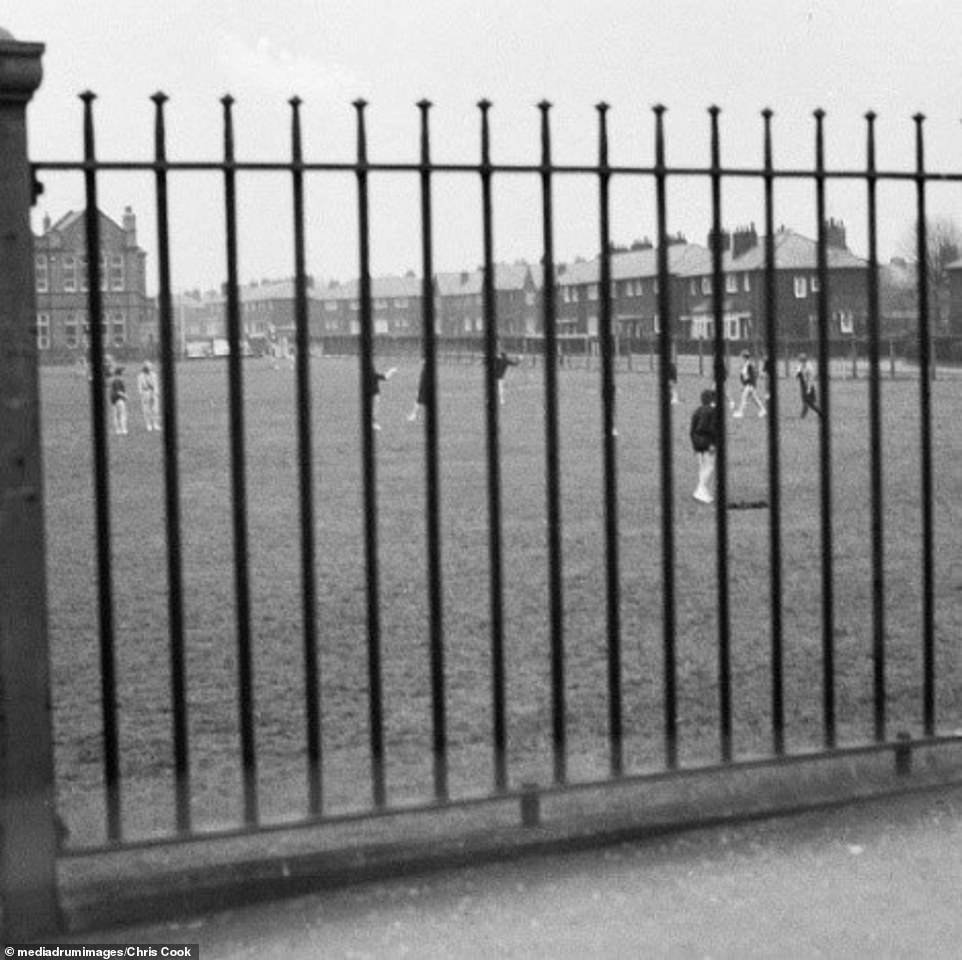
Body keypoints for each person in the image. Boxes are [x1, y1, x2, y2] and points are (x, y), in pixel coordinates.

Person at [690, 388, 718, 504]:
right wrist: (712, 443)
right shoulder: (712, 411)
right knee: (709, 466)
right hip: (707, 442)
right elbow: (710, 429)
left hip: (697, 442)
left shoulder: (697, 411)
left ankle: (703, 490)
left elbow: (692, 429)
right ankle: (700, 489)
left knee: (703, 467)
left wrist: (695, 444)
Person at [732, 350, 766, 418]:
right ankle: (763, 410)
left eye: (741, 357)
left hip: (750, 385)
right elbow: (743, 377)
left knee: (743, 397)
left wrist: (750, 385)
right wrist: (743, 385)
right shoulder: (744, 365)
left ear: (744, 357)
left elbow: (753, 376)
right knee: (754, 399)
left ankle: (740, 412)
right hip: (747, 385)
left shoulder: (750, 365)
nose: (740, 358)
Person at [367, 363, 397, 431]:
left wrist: (391, 371)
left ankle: (374, 423)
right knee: (375, 408)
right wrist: (391, 371)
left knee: (375, 408)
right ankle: (374, 423)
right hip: (374, 393)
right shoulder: (374, 375)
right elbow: (385, 377)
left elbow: (385, 377)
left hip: (375, 393)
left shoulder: (373, 375)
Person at [795, 353, 822, 419]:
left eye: (801, 361)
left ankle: (820, 413)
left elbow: (811, 379)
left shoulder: (809, 367)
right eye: (800, 361)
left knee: (809, 403)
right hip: (803, 386)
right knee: (806, 402)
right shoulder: (800, 366)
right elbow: (797, 376)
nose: (800, 362)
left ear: (805, 361)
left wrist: (809, 388)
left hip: (808, 386)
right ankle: (802, 417)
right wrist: (798, 371)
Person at [137, 361, 161, 432]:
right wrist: (141, 394)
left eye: (150, 366)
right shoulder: (140, 376)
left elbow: (156, 384)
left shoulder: (154, 375)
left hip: (153, 392)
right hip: (145, 392)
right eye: (149, 366)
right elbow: (139, 386)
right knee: (146, 410)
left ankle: (155, 424)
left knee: (155, 409)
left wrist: (156, 393)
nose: (150, 368)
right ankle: (148, 425)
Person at [109, 366, 129, 436]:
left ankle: (117, 430)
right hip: (119, 399)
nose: (124, 372)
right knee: (122, 415)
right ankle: (123, 430)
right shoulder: (118, 380)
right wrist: (125, 396)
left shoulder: (114, 380)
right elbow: (118, 391)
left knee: (116, 416)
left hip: (113, 400)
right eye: (122, 371)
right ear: (119, 373)